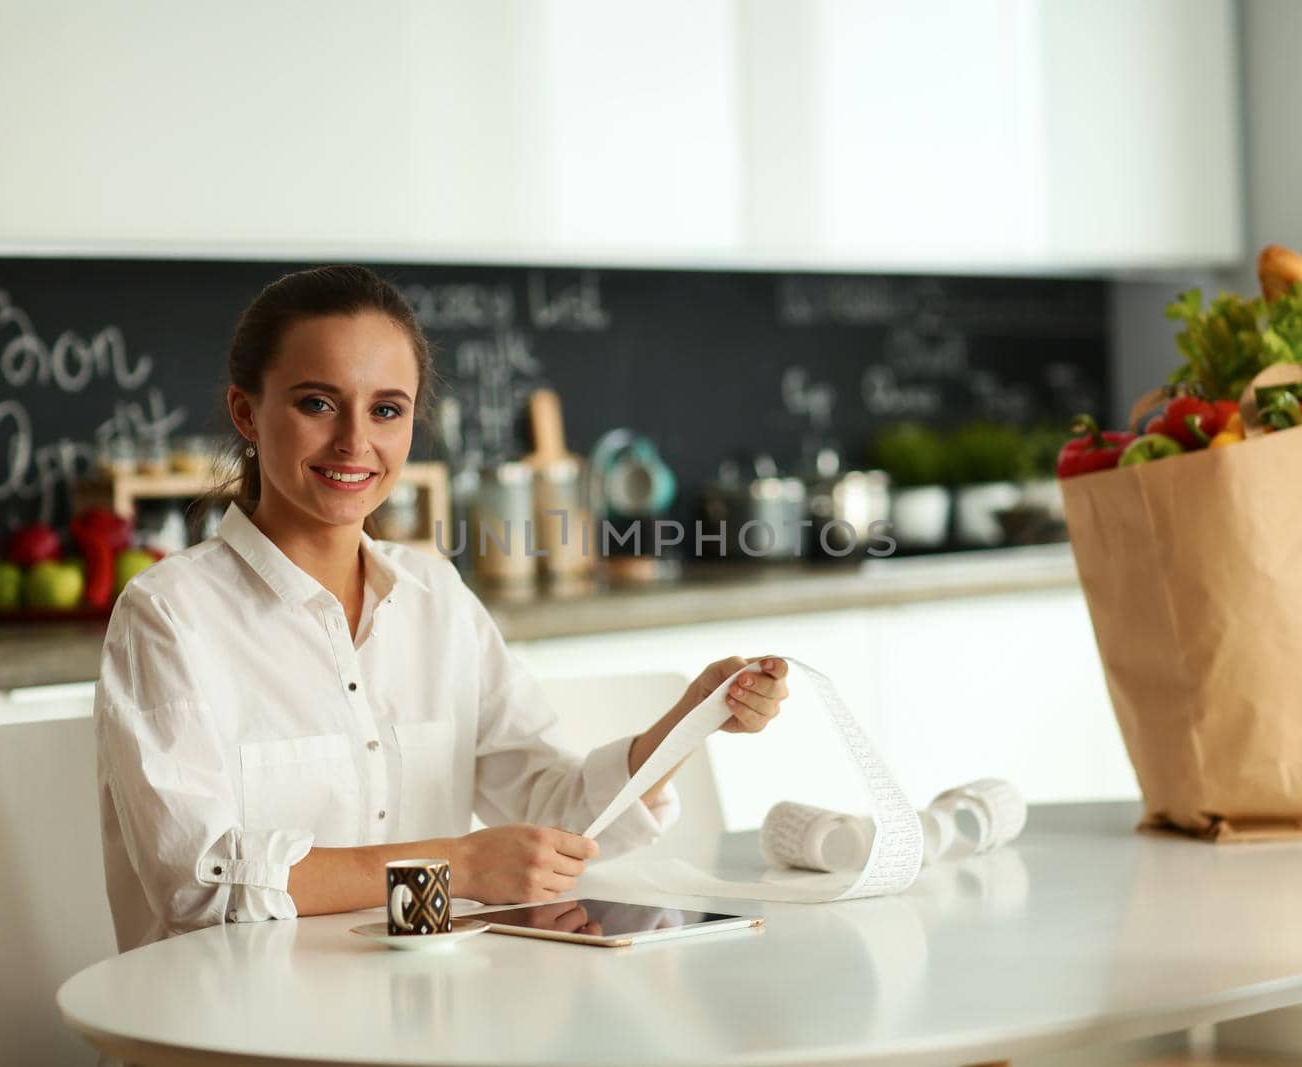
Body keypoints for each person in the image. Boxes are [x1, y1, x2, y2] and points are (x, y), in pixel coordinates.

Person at [94, 265, 790, 950]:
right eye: (317, 402)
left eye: (387, 409)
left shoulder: (437, 598)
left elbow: (550, 812)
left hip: (422, 1018)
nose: (354, 441)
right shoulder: (169, 616)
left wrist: (690, 719)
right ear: (247, 411)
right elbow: (196, 883)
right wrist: (456, 861)